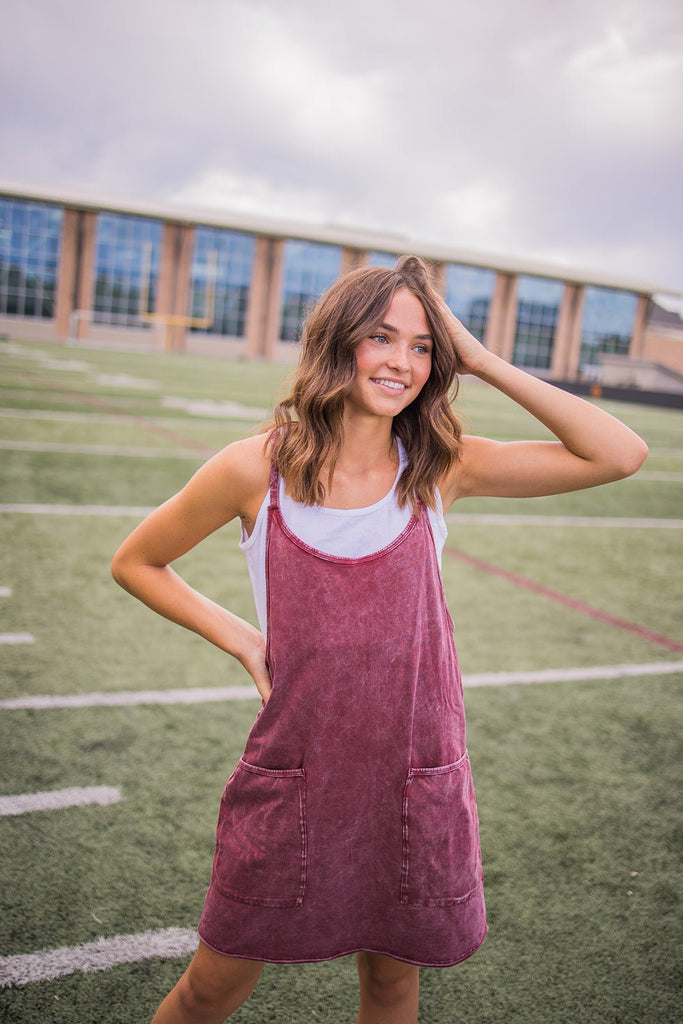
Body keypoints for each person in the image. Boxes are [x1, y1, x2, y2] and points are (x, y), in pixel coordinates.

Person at [111, 256, 648, 1024]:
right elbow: (136, 561)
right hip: (295, 771)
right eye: (381, 337)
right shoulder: (251, 468)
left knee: (392, 984)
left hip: (410, 776)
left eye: (423, 346)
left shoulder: (438, 467)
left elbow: (618, 454)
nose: (401, 361)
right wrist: (239, 637)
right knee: (212, 986)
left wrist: (485, 359)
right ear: (338, 342)